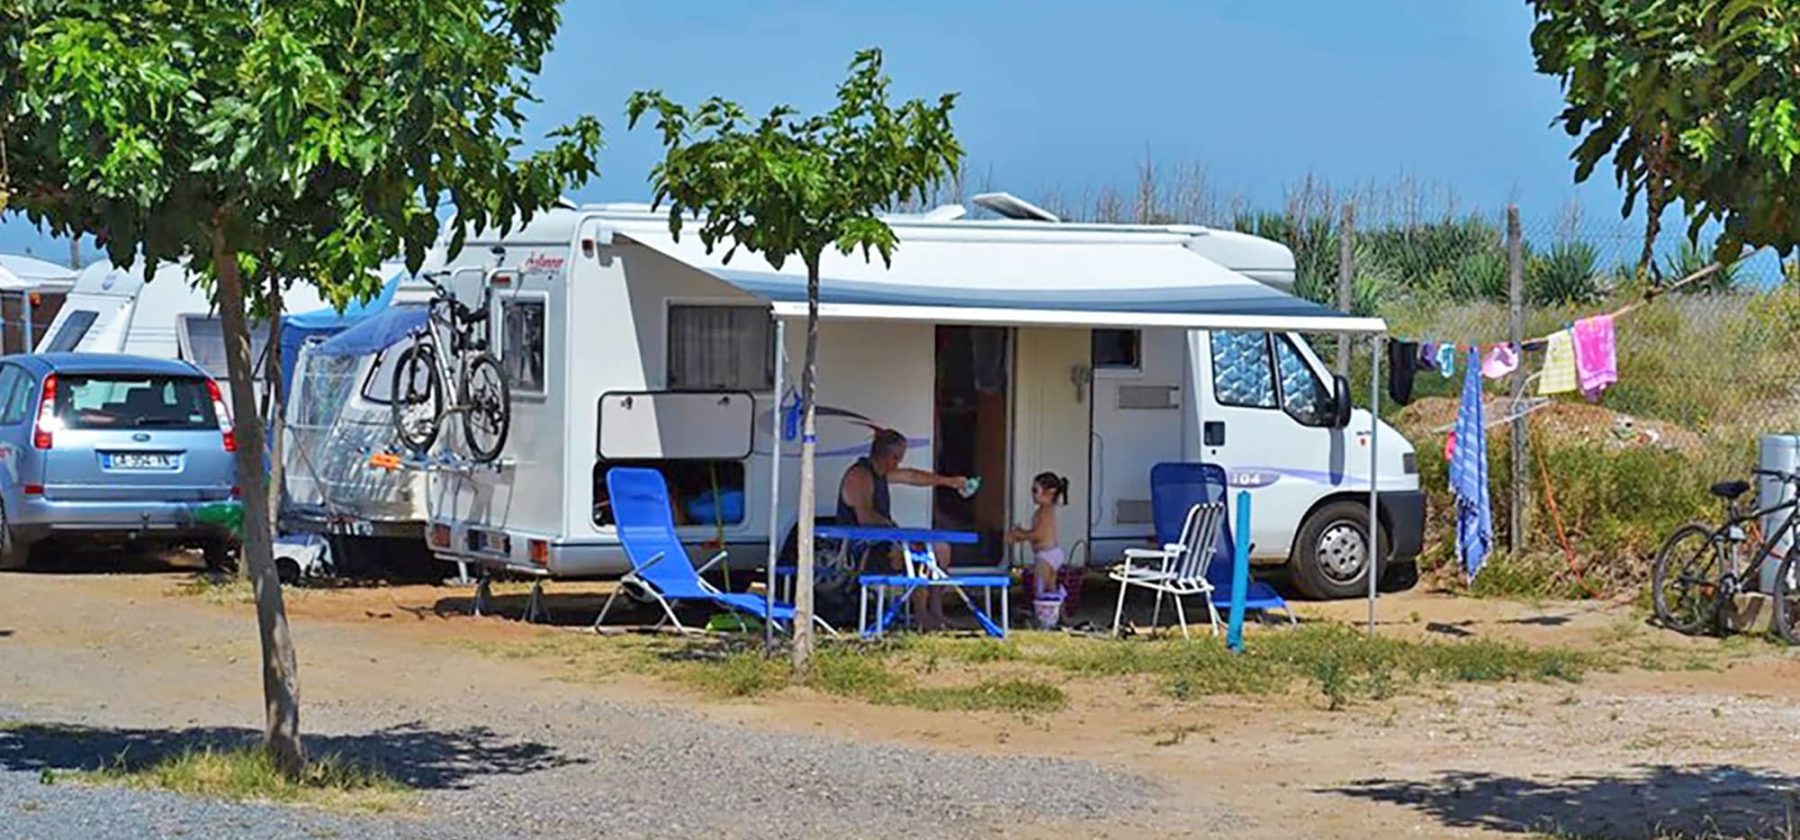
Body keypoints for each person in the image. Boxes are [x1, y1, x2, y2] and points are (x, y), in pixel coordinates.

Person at [837, 428, 968, 630]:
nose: (899, 462)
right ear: (893, 457)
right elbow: (865, 518)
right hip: (862, 551)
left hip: (885, 541)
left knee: (941, 548)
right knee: (919, 556)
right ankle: (921, 616)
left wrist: (949, 482)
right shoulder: (860, 476)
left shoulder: (880, 473)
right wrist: (893, 529)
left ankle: (937, 613)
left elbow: (913, 477)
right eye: (899, 457)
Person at [1009, 471, 1069, 598]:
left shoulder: (1045, 511)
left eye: (1035, 490)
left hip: (1046, 556)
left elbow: (1038, 535)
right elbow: (1038, 533)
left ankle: (1045, 615)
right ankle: (1055, 614)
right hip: (1051, 553)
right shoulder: (1044, 510)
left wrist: (1019, 534)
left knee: (1040, 591)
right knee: (1050, 589)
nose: (1032, 494)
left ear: (1049, 492)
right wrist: (1022, 534)